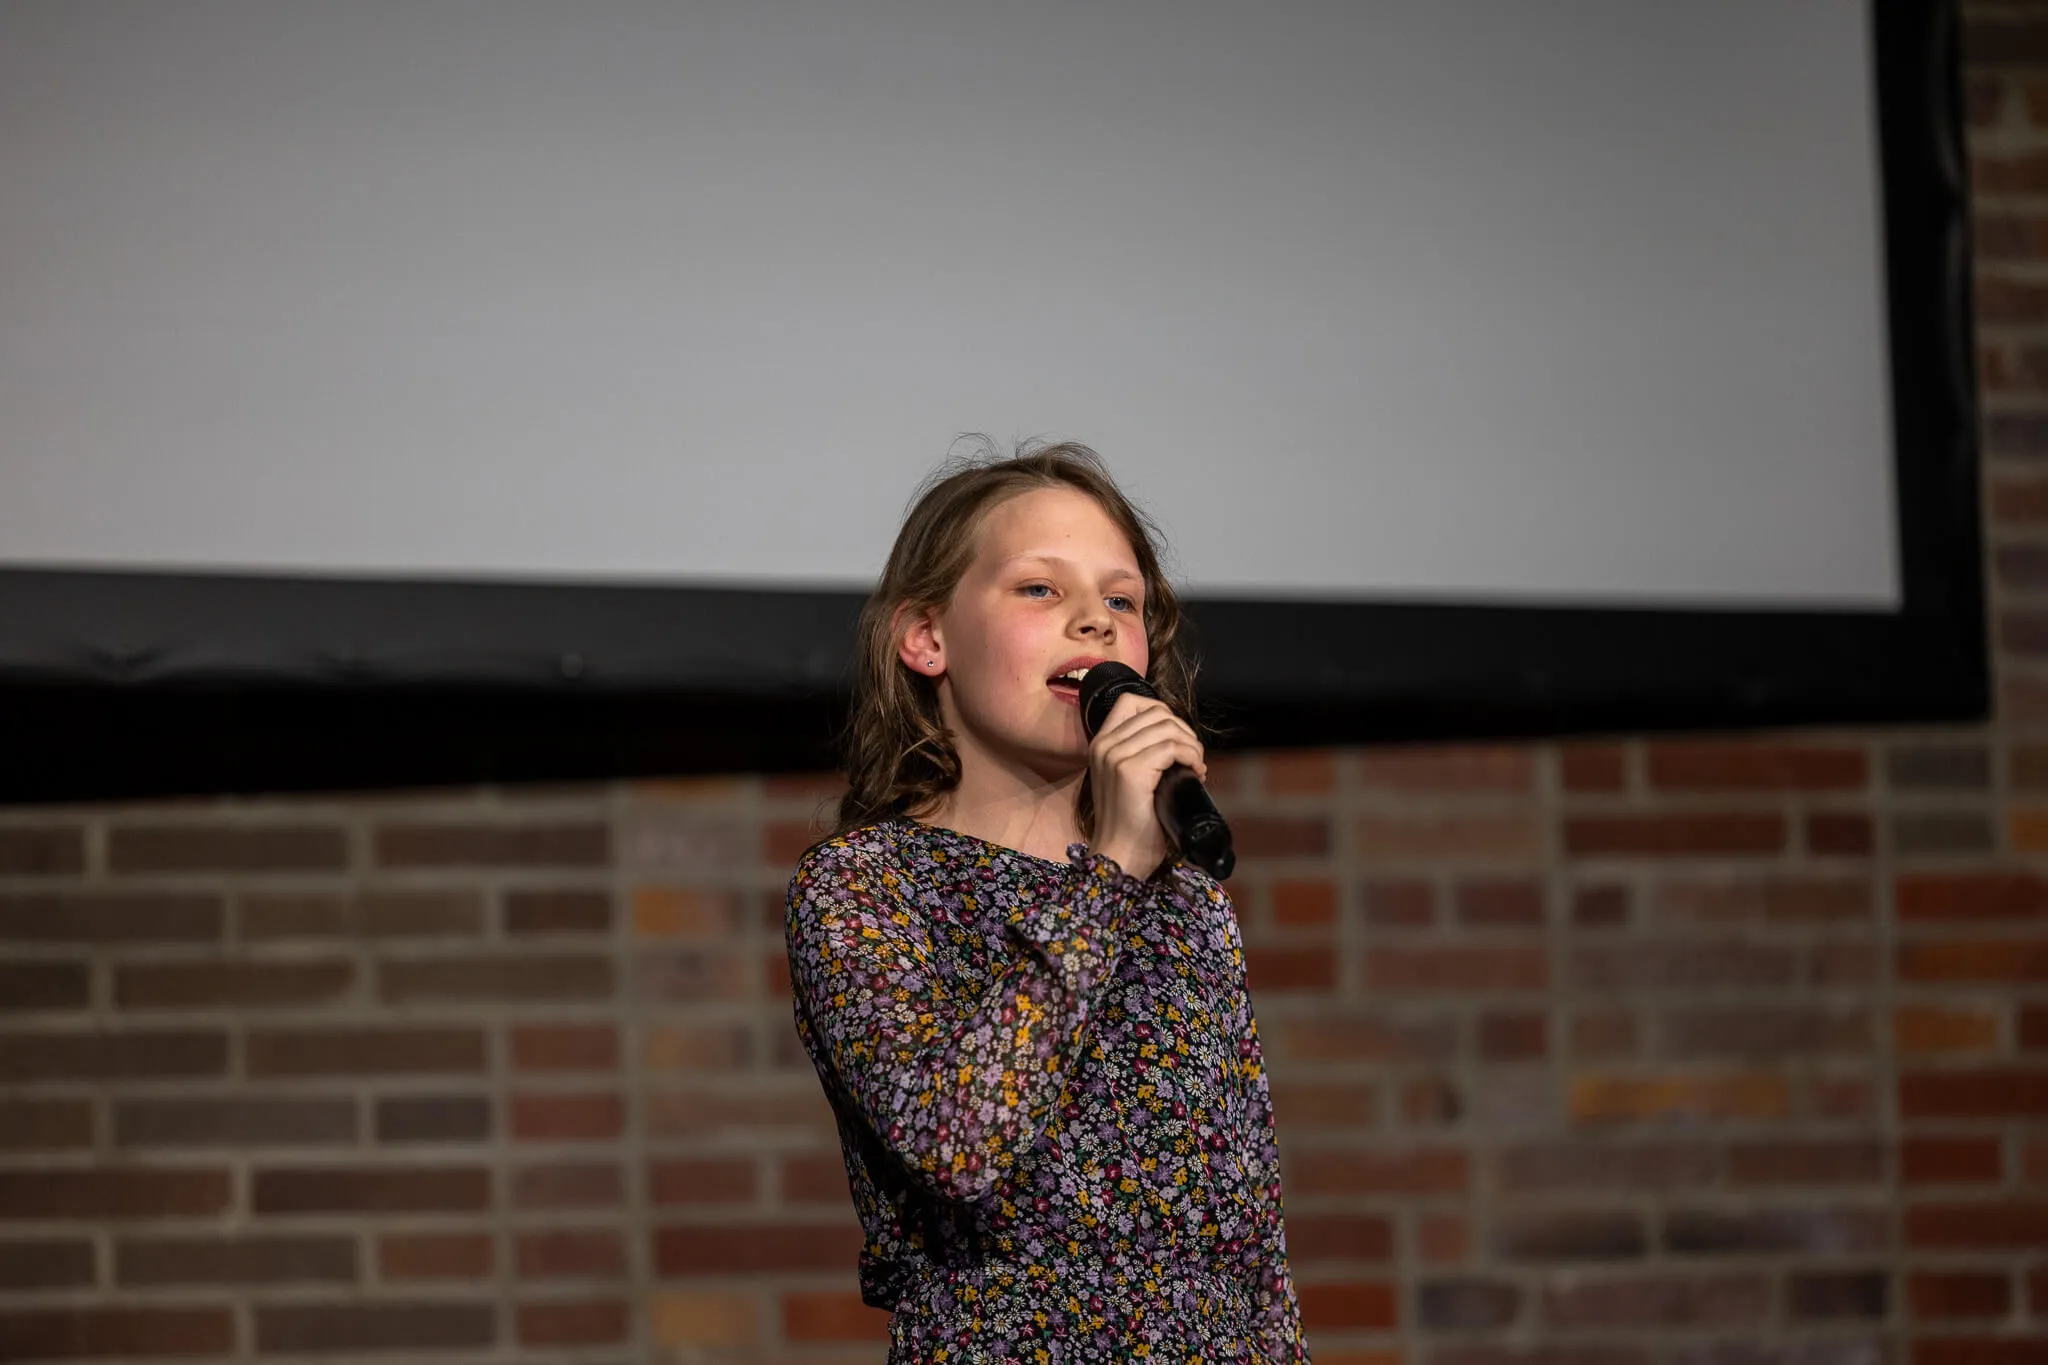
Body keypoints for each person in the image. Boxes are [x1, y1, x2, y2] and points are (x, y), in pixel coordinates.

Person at [783, 438, 1311, 1363]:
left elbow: (1252, 1246)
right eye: (1040, 588)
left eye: (1122, 600)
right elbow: (955, 1144)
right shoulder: (868, 883)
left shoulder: (1186, 904)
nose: (1095, 621)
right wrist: (1110, 870)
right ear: (927, 636)